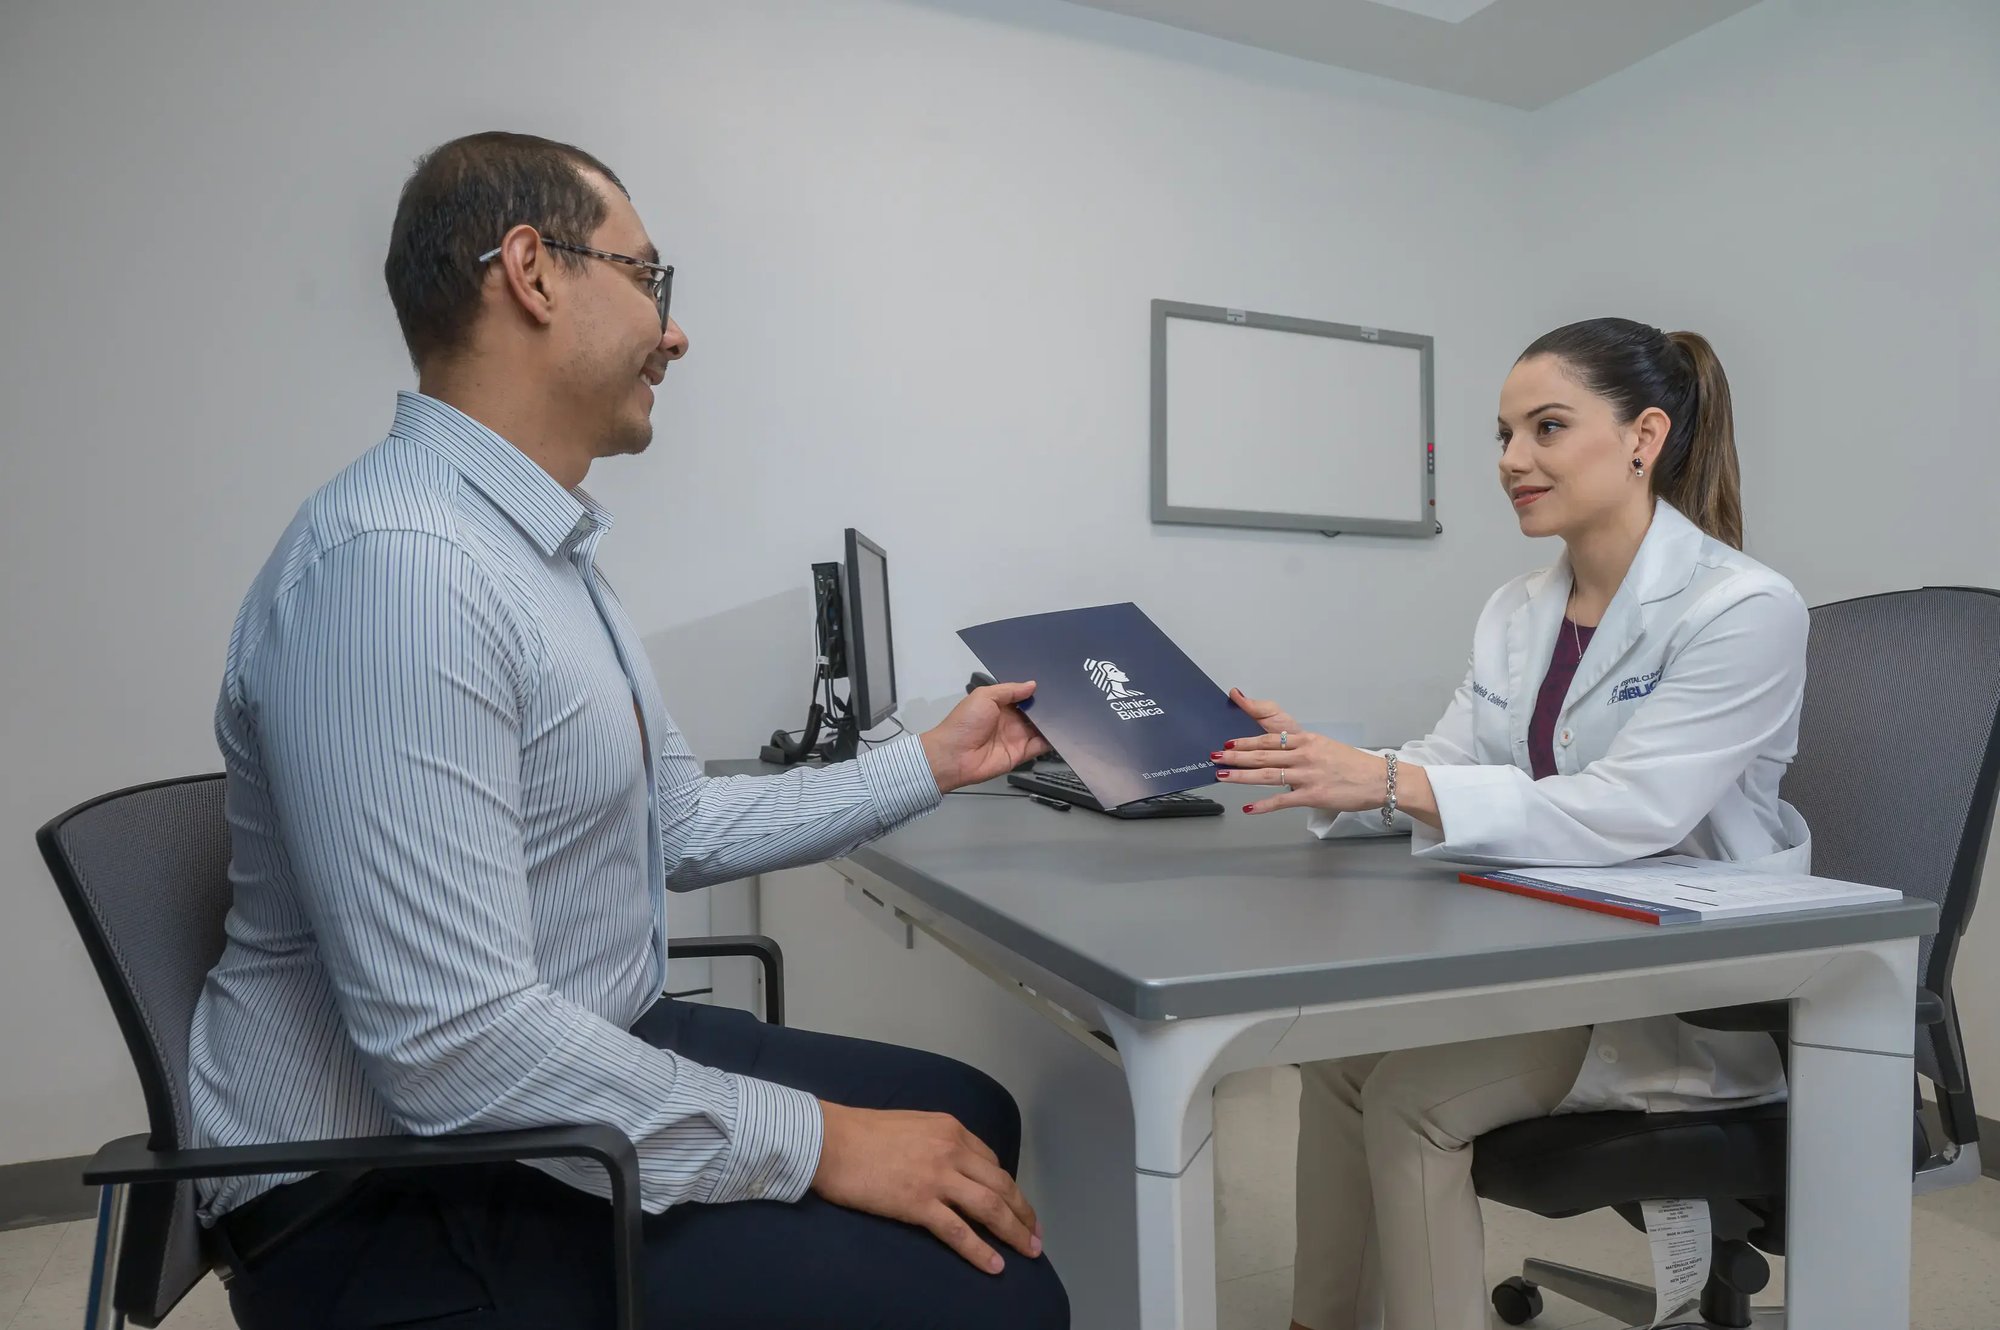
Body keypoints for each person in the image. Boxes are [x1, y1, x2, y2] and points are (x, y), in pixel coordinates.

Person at [190, 131, 1068, 1329]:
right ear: (533, 273)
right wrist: (818, 1142)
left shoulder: (540, 550)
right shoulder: (398, 572)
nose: (674, 328)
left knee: (973, 1114)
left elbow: (681, 819)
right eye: (648, 277)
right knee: (995, 1302)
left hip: (548, 1072)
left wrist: (932, 760)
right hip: (385, 1190)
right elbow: (457, 1048)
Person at [1215, 318, 1810, 1330]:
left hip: (1683, 988)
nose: (1508, 460)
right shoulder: (1517, 608)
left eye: (1543, 427)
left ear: (1641, 436)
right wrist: (1326, 770)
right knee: (1338, 1061)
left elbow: (1635, 808)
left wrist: (1387, 781)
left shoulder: (1740, 607)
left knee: (1412, 1100)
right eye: (1500, 434)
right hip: (1558, 951)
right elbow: (1445, 763)